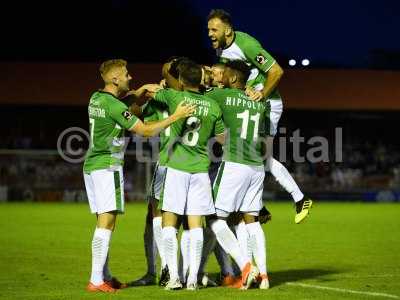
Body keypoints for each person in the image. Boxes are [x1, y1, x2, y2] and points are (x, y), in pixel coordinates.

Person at [83, 59, 195, 293]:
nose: (130, 77)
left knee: (102, 222)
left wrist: (140, 92)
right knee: (107, 223)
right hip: (107, 167)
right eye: (125, 75)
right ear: (115, 79)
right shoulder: (115, 107)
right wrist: (176, 116)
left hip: (92, 166)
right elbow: (144, 130)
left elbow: (120, 101)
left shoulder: (96, 98)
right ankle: (96, 279)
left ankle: (105, 274)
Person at [207, 9, 313, 223]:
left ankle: (297, 198)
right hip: (249, 104)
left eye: (214, 29)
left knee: (259, 156)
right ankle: (259, 205)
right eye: (208, 29)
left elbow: (277, 71)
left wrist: (261, 94)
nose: (209, 33)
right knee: (246, 152)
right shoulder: (221, 51)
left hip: (267, 104)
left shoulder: (246, 44)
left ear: (227, 30)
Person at [146, 60, 226, 290]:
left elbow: (153, 93)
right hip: (200, 170)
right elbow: (223, 139)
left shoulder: (174, 98)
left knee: (169, 223)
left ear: (181, 81)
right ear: (202, 80)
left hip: (176, 168)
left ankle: (172, 278)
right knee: (195, 225)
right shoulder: (213, 106)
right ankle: (192, 279)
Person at [206, 60, 270, 289]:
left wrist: (204, 77)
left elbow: (196, 93)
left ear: (233, 78)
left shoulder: (221, 97)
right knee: (252, 223)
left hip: (234, 164)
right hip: (256, 167)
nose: (219, 76)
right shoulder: (260, 104)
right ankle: (263, 276)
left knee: (214, 218)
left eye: (225, 74)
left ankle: (245, 266)